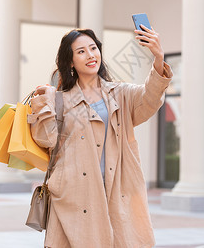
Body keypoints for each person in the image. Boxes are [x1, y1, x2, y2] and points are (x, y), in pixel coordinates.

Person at [28, 25, 173, 247]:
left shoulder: (121, 93)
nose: (90, 55)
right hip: (74, 194)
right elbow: (46, 141)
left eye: (93, 48)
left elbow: (150, 98)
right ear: (70, 62)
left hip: (117, 191)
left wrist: (158, 58)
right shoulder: (59, 101)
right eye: (81, 51)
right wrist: (45, 103)